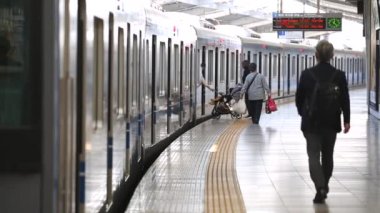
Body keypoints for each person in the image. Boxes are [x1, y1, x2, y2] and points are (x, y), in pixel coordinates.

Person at [295, 40, 350, 204]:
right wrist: (346, 120)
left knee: (313, 155)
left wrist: (303, 113)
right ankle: (324, 184)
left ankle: (320, 187)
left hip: (311, 123)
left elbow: (299, 98)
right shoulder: (339, 75)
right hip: (331, 122)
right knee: (328, 155)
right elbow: (344, 99)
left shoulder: (307, 74)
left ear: (316, 55)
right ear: (332, 56)